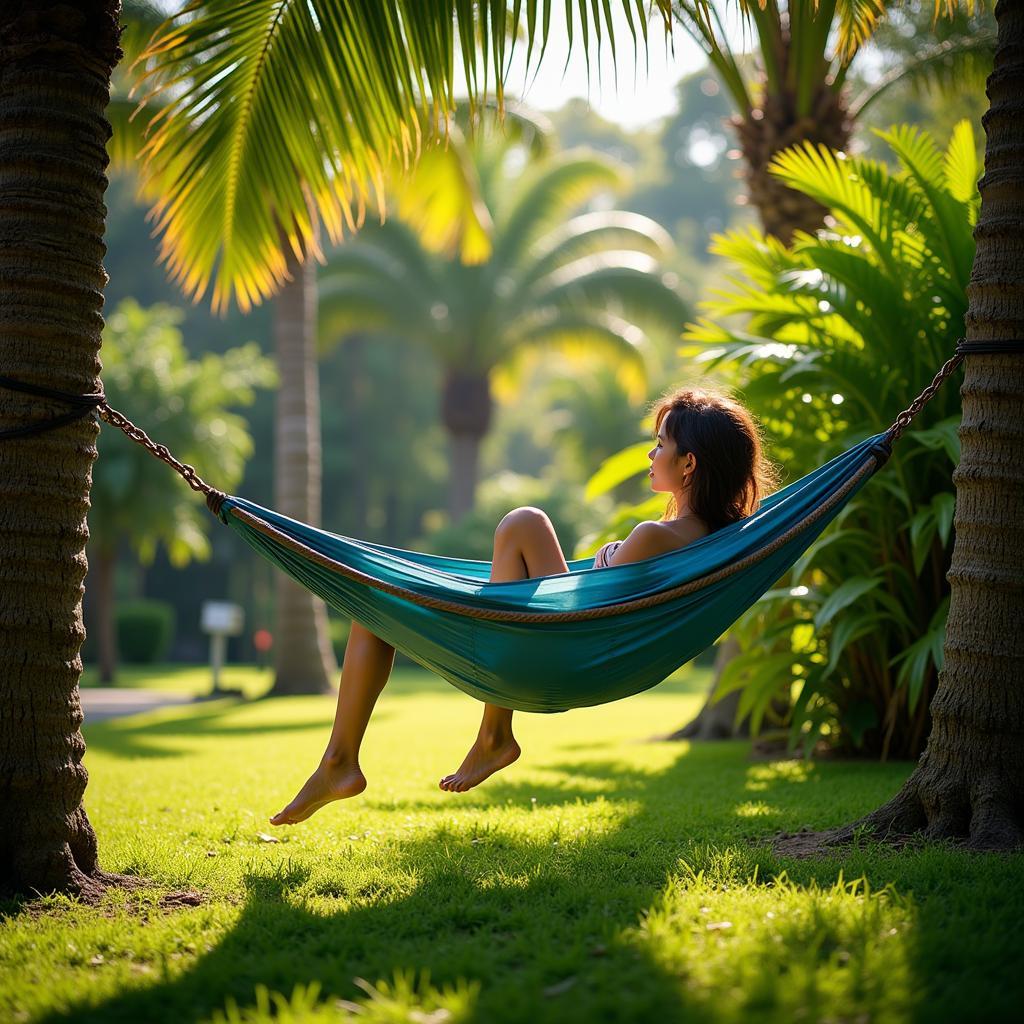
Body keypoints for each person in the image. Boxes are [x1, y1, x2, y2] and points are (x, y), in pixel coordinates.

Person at [269, 385, 776, 825]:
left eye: (660, 445)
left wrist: (610, 559)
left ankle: (355, 758)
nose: (650, 455)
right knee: (382, 602)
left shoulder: (654, 536)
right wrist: (610, 560)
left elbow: (591, 604)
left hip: (557, 650)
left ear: (688, 463)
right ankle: (484, 738)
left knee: (512, 528)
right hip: (571, 652)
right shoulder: (716, 539)